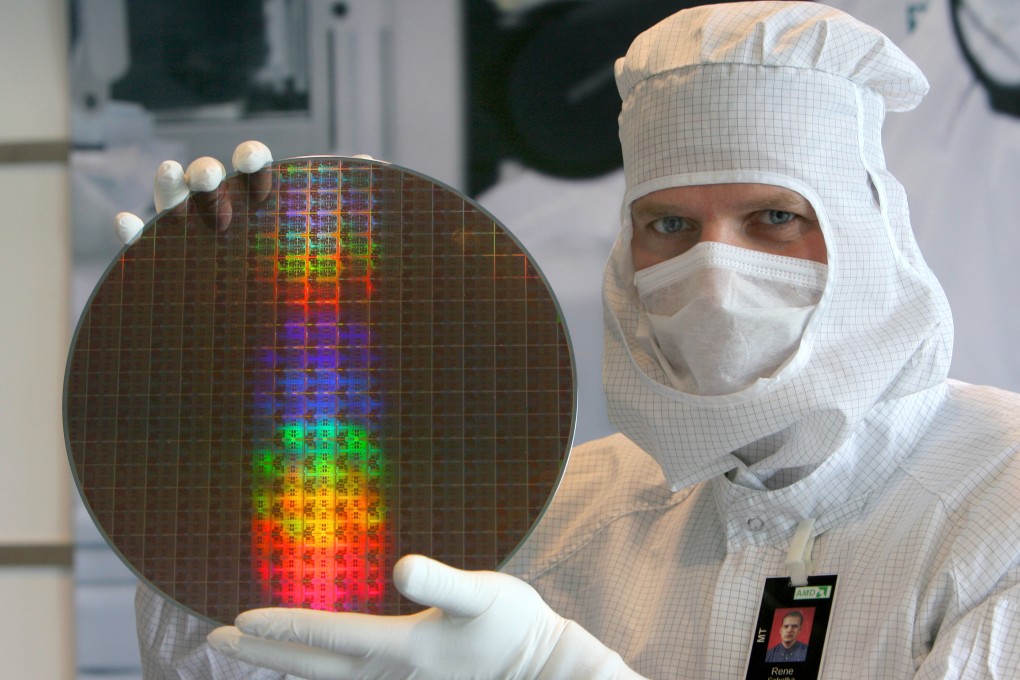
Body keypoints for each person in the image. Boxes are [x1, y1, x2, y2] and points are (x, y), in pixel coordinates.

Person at [121, 2, 1020, 678]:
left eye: (775, 217)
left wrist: (558, 670)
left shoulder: (1000, 505)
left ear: (868, 234)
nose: (713, 273)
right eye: (668, 227)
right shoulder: (564, 512)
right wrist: (223, 447)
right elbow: (253, 655)